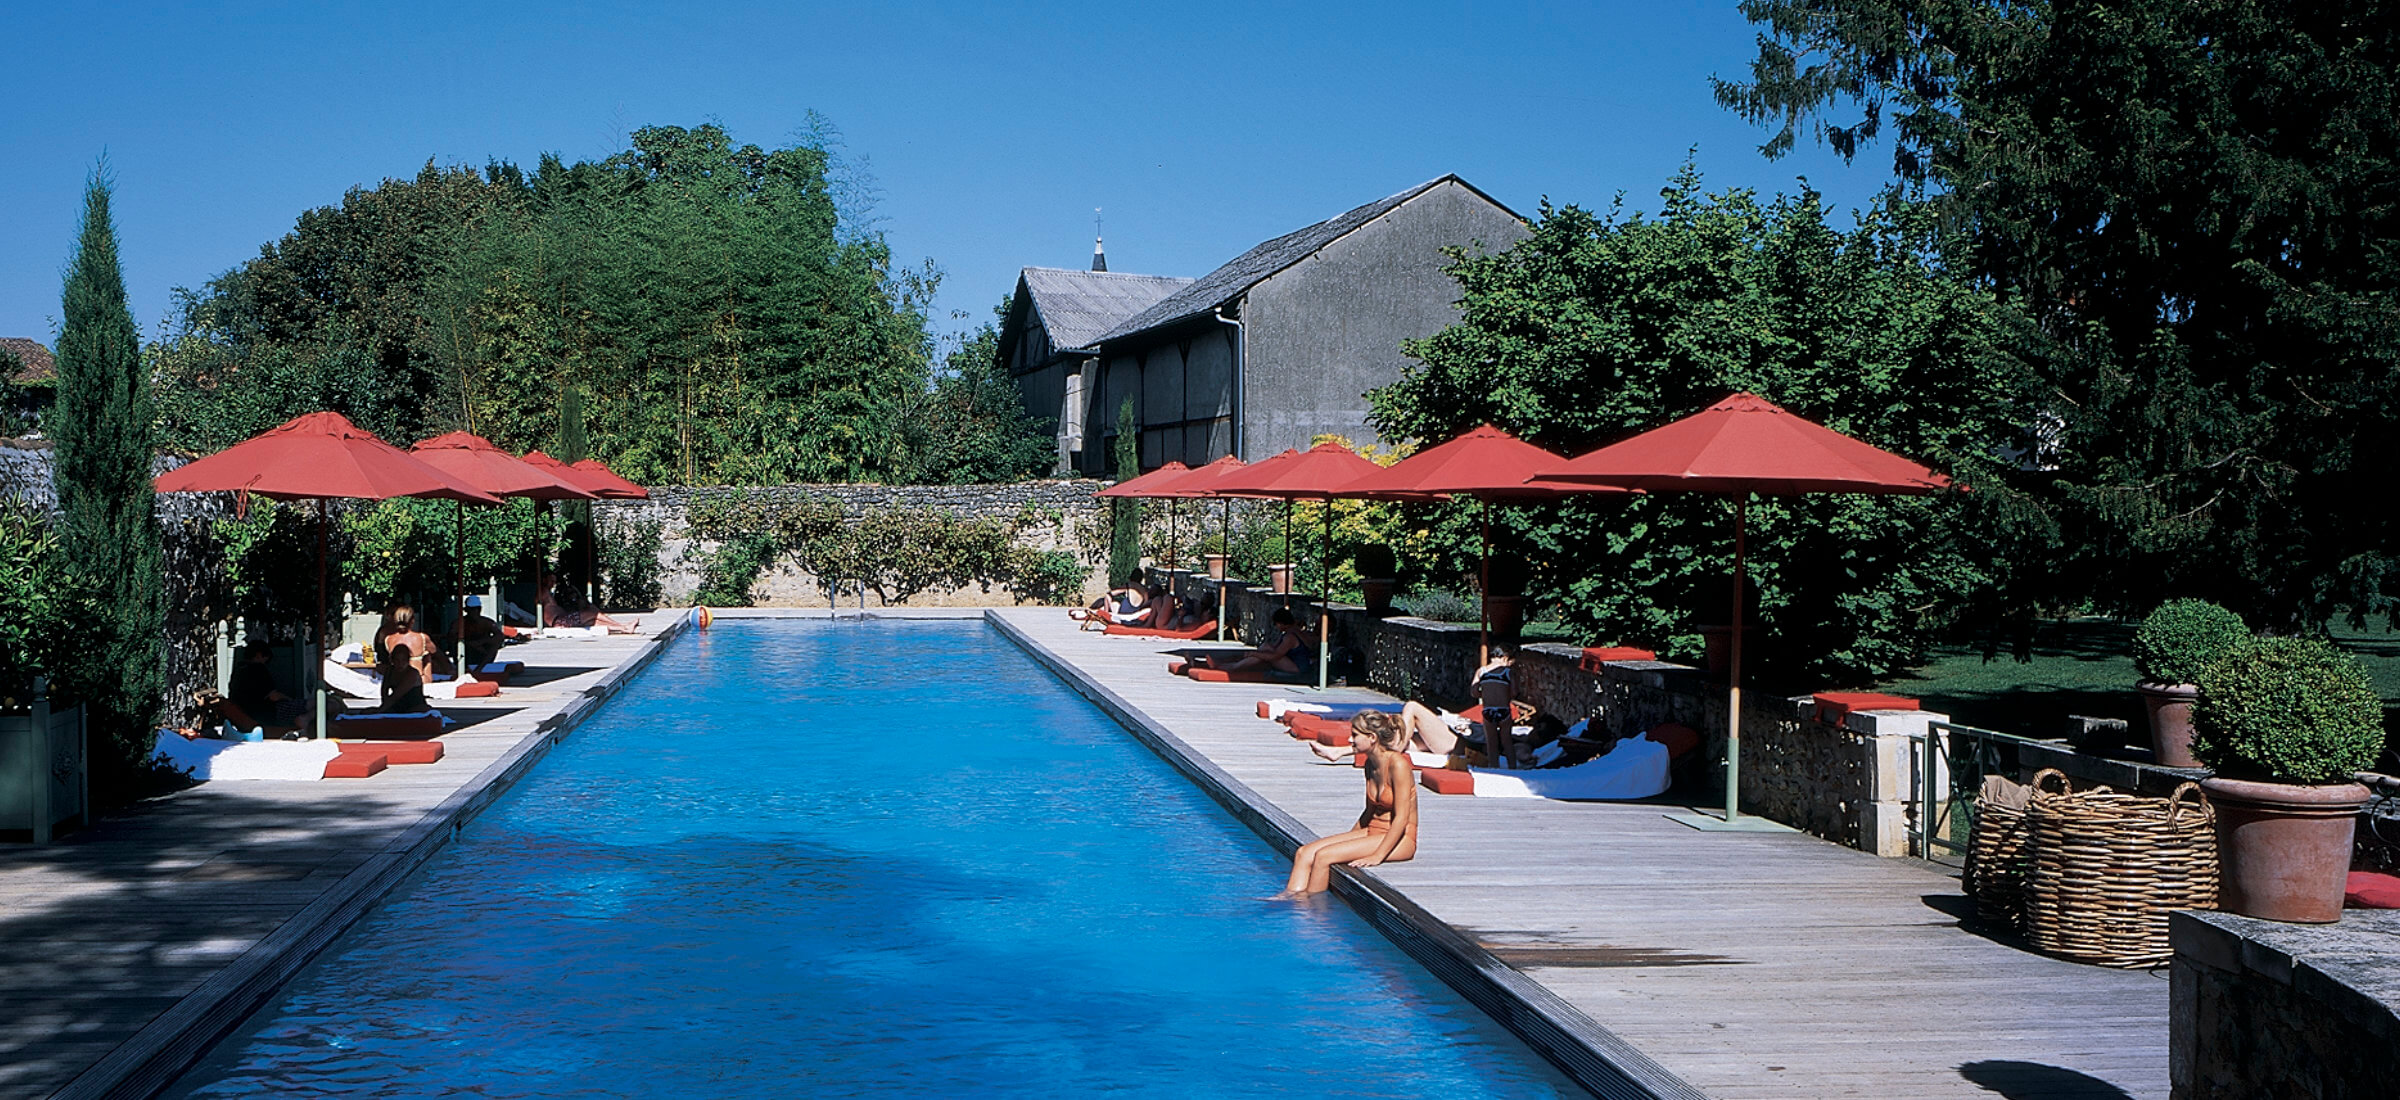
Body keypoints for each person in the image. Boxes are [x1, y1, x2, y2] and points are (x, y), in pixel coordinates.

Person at [1275, 712, 1418, 898]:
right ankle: (1287, 898)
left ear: (1372, 738)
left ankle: (1310, 911)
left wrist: (1378, 856)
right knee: (1304, 852)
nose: (1350, 739)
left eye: (1355, 734)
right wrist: (1349, 839)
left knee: (1324, 857)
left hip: (1401, 839)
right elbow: (1369, 811)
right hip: (1373, 831)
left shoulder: (1397, 765)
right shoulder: (1370, 764)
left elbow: (1401, 818)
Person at [1394, 644, 1517, 762]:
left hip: (1461, 743)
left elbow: (1474, 691)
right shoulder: (1506, 678)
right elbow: (1513, 692)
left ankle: (1395, 749)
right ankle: (1394, 746)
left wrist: (1484, 693)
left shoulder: (1482, 672)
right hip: (1459, 737)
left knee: (1412, 707)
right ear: (1506, 659)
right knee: (1404, 740)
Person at [1192, 606, 1313, 677]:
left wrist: (1255, 654)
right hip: (1292, 663)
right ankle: (1225, 664)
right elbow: (1273, 648)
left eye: (1276, 624)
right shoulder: (1291, 632)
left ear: (1281, 623)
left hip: (1297, 668)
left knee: (1261, 655)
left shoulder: (1290, 637)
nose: (1276, 627)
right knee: (1264, 648)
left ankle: (1229, 667)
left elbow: (1276, 655)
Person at [226, 643, 305, 733]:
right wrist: (289, 699)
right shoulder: (259, 669)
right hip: (267, 713)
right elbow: (273, 696)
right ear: (259, 655)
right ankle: (304, 722)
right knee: (313, 704)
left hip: (246, 712)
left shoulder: (238, 669)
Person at [541, 574, 640, 633]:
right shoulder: (543, 591)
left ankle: (623, 628)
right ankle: (622, 625)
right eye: (550, 580)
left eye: (554, 581)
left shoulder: (549, 592)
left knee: (595, 622)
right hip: (560, 622)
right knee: (592, 612)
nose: (552, 583)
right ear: (544, 580)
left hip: (563, 620)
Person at [1069, 570, 1153, 630]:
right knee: (1113, 603)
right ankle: (1093, 610)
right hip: (1134, 613)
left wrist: (1106, 612)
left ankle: (1103, 613)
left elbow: (1109, 594)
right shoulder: (1144, 590)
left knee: (1112, 603)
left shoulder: (1129, 585)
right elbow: (1145, 603)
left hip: (1124, 613)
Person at [372, 604, 436, 683]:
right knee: (427, 655)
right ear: (412, 620)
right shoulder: (422, 637)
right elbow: (434, 650)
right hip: (417, 679)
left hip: (397, 679)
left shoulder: (388, 639)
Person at [447, 595, 505, 669]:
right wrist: (468, 644)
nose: (475, 612)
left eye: (477, 609)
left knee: (495, 643)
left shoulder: (487, 622)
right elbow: (451, 637)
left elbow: (500, 636)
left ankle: (481, 667)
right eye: (472, 609)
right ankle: (462, 666)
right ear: (466, 610)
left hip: (482, 653)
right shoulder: (459, 623)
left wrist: (482, 642)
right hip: (466, 652)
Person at [379, 643, 429, 714]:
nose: (400, 664)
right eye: (397, 660)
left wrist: (380, 711)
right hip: (397, 706)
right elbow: (384, 692)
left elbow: (396, 695)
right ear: (392, 660)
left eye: (403, 660)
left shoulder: (412, 673)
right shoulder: (389, 671)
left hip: (414, 707)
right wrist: (383, 707)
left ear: (408, 660)